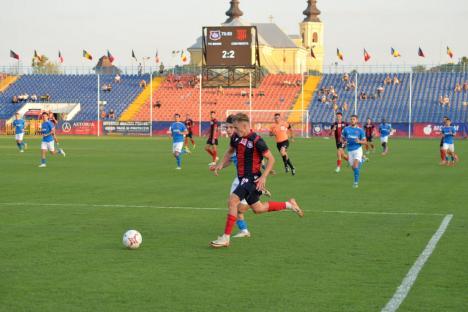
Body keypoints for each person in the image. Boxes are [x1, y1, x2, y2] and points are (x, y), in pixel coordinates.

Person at [209, 113, 303, 248]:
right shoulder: (236, 137)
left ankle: (226, 238)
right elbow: (230, 152)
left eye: (236, 128)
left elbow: (271, 159)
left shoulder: (256, 140)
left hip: (252, 178)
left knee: (232, 201)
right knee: (258, 209)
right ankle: (289, 205)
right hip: (243, 179)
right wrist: (220, 164)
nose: (233, 130)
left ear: (245, 126)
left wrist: (263, 177)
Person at [341, 115, 367, 188]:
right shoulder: (346, 129)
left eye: (354, 119)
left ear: (357, 120)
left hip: (358, 150)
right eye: (351, 119)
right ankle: (362, 160)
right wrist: (344, 142)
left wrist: (359, 141)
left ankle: (356, 183)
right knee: (354, 168)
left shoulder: (360, 130)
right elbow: (341, 138)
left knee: (355, 166)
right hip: (350, 150)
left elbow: (365, 142)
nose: (352, 120)